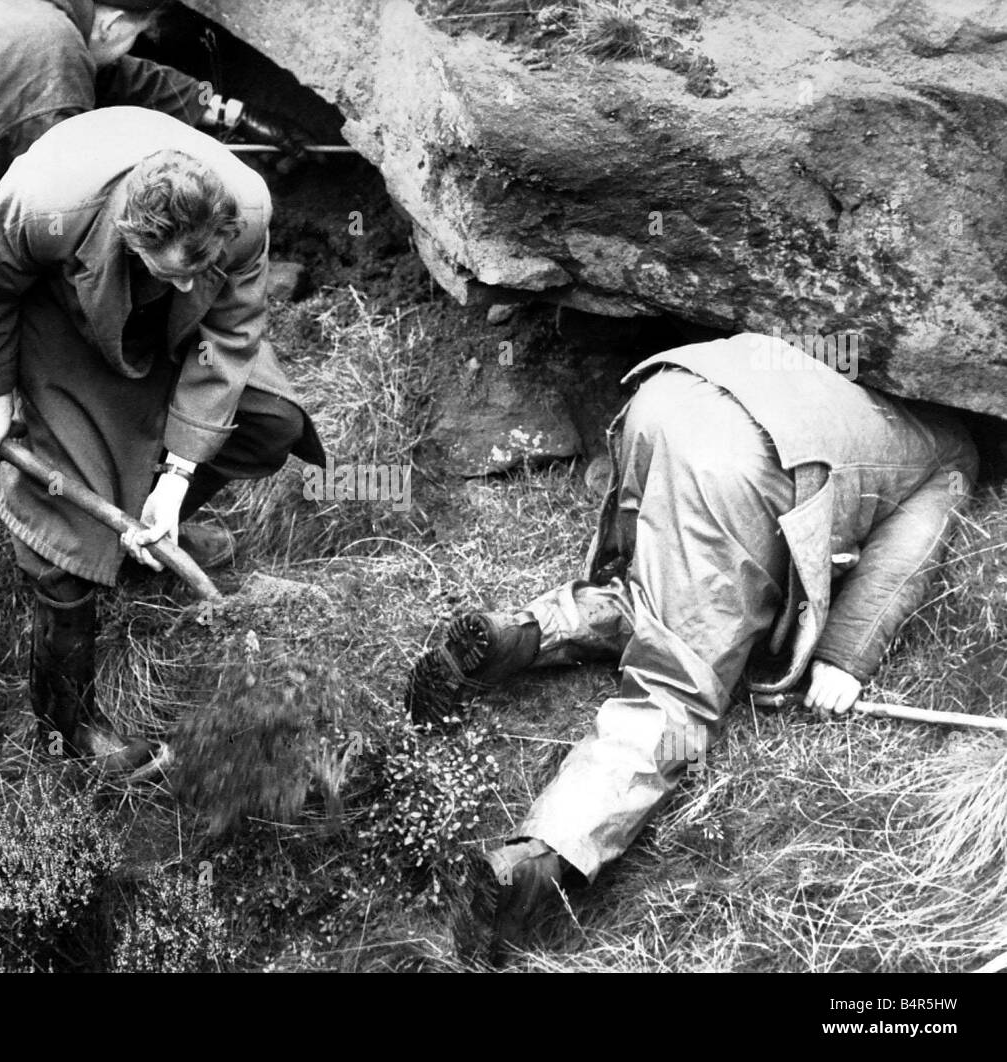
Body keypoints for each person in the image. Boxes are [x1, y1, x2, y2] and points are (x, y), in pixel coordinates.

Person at [404, 333, 979, 965]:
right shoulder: (953, 452)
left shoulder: (860, 387)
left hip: (671, 395)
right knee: (677, 683)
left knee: (655, 582)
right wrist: (845, 658)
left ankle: (521, 634)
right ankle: (540, 859)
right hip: (738, 466)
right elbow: (905, 560)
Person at [0, 106, 324, 779]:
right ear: (132, 233)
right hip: (61, 318)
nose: (187, 282)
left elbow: (229, 337)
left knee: (271, 420)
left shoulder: (246, 207)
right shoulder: (45, 205)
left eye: (198, 268)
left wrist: (177, 479)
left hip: (174, 334)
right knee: (61, 537)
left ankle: (144, 532)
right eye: (170, 268)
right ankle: (68, 729)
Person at [0, 0, 312, 324]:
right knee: (49, 286)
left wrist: (232, 113)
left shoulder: (40, 19)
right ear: (111, 24)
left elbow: (111, 73)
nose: (134, 45)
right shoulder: (47, 58)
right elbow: (68, 216)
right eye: (138, 33)